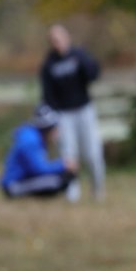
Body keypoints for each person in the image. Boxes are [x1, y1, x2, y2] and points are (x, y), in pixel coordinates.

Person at [39, 23, 105, 202]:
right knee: (68, 154)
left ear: (66, 38)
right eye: (53, 40)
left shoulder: (78, 55)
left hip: (85, 110)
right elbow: (47, 96)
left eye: (59, 39)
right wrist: (52, 122)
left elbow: (94, 74)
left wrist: (84, 59)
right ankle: (72, 194)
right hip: (64, 115)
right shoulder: (49, 64)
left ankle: (98, 191)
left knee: (92, 152)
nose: (57, 43)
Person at [0, 104, 77, 198]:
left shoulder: (33, 137)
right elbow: (39, 169)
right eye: (55, 128)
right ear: (48, 129)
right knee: (59, 180)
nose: (57, 133)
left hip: (21, 181)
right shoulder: (31, 141)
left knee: (62, 177)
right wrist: (63, 165)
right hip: (13, 186)